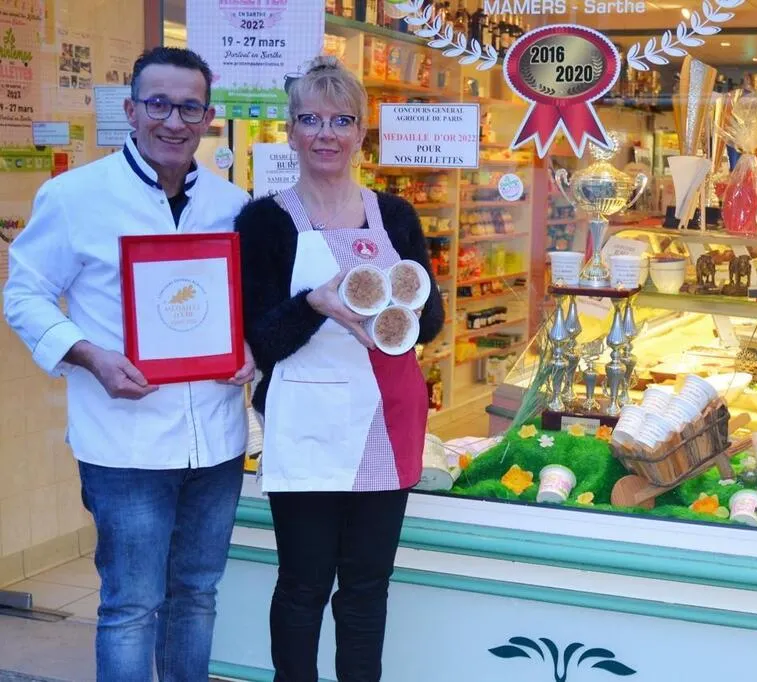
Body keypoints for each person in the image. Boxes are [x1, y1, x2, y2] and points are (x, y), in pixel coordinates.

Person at [3, 47, 253, 681]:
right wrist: (90, 355)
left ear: (208, 118)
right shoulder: (75, 196)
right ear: (132, 110)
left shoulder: (231, 204)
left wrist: (249, 344)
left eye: (189, 108)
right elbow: (24, 294)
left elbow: (244, 302)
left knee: (197, 595)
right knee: (130, 605)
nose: (173, 121)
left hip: (216, 441)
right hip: (124, 445)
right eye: (158, 104)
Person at [235, 56, 443, 682]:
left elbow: (431, 322)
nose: (325, 133)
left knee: (366, 589)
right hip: (306, 421)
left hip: (386, 419)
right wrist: (315, 304)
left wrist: (402, 307)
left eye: (341, 120)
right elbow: (258, 340)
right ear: (291, 131)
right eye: (310, 120)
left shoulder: (395, 216)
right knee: (302, 586)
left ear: (361, 133)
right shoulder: (264, 221)